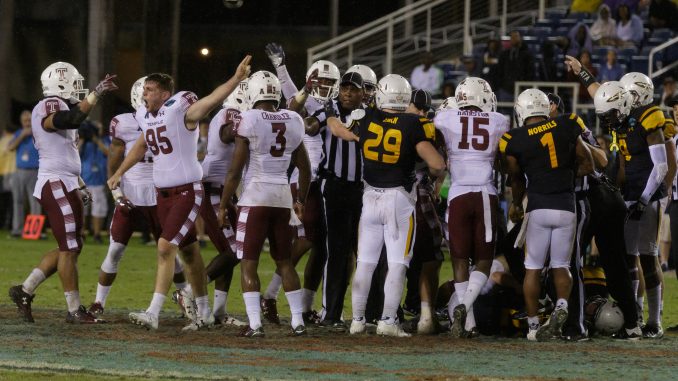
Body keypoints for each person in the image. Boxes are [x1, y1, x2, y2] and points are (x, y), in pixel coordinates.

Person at [108, 55, 252, 331]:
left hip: (187, 191)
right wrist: (119, 172)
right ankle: (205, 312)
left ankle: (153, 312)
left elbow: (210, 100)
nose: (144, 94)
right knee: (189, 253)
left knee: (165, 248)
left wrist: (235, 79)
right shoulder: (145, 116)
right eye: (143, 89)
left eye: (149, 90)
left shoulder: (180, 110)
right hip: (163, 194)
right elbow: (140, 146)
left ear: (164, 94)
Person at [324, 74, 445, 337]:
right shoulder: (414, 123)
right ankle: (388, 321)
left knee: (365, 262)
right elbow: (437, 164)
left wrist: (330, 115)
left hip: (369, 198)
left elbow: (339, 131)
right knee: (397, 263)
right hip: (398, 200)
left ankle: (357, 320)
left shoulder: (366, 117)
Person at [8, 61, 118, 323]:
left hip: (66, 180)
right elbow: (69, 119)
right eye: (75, 83)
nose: (79, 89)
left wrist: (79, 182)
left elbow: (64, 153)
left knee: (71, 246)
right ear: (60, 83)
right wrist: (95, 94)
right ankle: (73, 310)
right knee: (69, 248)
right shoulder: (49, 105)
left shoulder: (62, 105)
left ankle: (24, 290)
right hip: (54, 182)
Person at [217, 70, 311, 337]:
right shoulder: (293, 119)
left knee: (249, 263)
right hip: (282, 196)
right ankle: (297, 321)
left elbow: (235, 172)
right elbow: (305, 169)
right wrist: (300, 200)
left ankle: (256, 324)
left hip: (256, 197)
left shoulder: (249, 118)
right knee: (285, 262)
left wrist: (224, 205)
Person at [88, 76, 188, 318]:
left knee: (170, 253)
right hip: (132, 195)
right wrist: (116, 192)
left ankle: (187, 299)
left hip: (159, 195)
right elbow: (114, 157)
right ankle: (98, 303)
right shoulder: (123, 123)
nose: (146, 96)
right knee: (115, 250)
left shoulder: (171, 118)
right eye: (144, 92)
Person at [500, 88, 594, 341]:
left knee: (532, 269)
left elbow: (515, 178)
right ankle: (562, 307)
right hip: (566, 205)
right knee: (561, 265)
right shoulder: (567, 124)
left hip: (538, 206)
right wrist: (563, 176)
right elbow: (589, 163)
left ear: (521, 111)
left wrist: (517, 203)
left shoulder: (513, 138)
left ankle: (532, 328)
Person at [263, 43, 339, 325]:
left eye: (330, 82)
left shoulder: (337, 105)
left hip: (326, 184)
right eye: (320, 81)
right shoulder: (307, 101)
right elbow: (291, 102)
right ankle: (270, 294)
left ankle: (305, 305)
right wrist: (282, 68)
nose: (325, 86)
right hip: (305, 182)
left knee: (321, 246)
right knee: (306, 240)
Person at [435, 77, 508, 338]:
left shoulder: (445, 118)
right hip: (483, 192)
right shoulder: (500, 120)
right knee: (484, 261)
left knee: (458, 259)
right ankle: (464, 308)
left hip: (456, 194)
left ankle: (469, 323)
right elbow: (503, 157)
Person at [304, 72, 366, 331]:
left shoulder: (369, 113)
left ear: (363, 92)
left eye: (353, 89)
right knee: (337, 249)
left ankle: (367, 314)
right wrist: (315, 115)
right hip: (336, 185)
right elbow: (310, 127)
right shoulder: (329, 110)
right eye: (344, 89)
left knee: (364, 254)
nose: (348, 93)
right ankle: (331, 313)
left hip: (364, 189)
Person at [199, 81, 247, 326]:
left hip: (222, 189)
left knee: (229, 252)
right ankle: (189, 291)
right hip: (212, 189)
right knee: (236, 249)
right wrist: (247, 125)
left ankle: (218, 312)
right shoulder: (231, 113)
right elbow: (227, 132)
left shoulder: (234, 113)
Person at [404, 89, 446, 334]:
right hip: (416, 195)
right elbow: (438, 167)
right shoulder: (428, 129)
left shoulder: (390, 123)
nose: (420, 113)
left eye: (423, 110)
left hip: (385, 194)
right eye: (417, 107)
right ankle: (426, 316)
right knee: (430, 256)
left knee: (391, 259)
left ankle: (380, 315)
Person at [7, 110, 41, 238]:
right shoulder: (18, 134)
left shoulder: (38, 134)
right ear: (21, 122)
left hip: (34, 171)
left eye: (29, 120)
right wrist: (22, 135)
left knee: (35, 202)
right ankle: (17, 230)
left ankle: (33, 232)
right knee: (18, 201)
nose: (27, 123)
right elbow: (10, 148)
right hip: (19, 171)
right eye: (25, 121)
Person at [78, 120, 110, 243]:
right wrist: (82, 138)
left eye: (99, 128)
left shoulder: (105, 140)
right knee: (82, 209)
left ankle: (97, 234)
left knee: (99, 209)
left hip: (98, 181)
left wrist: (96, 139)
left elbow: (108, 153)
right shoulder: (83, 143)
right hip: (83, 181)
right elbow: (74, 153)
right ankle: (81, 233)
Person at [496, 30, 534, 101]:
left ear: (520, 38)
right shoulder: (504, 54)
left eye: (516, 36)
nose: (514, 39)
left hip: (521, 89)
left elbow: (530, 72)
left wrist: (524, 86)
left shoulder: (527, 55)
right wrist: (501, 84)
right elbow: (500, 70)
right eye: (512, 37)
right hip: (505, 89)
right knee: (504, 111)